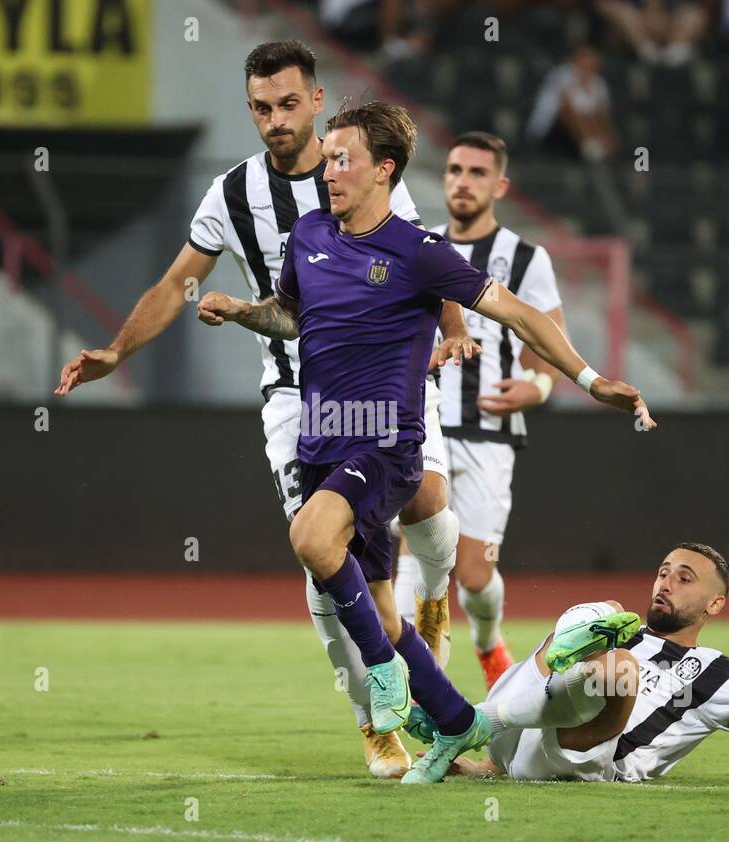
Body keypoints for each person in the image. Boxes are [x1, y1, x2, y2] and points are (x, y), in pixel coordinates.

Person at [196, 100, 655, 783]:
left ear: (384, 170)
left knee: (311, 539)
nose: (330, 168)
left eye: (344, 157)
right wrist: (242, 312)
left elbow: (520, 313)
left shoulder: (420, 253)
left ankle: (383, 675)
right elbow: (290, 315)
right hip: (322, 440)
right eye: (330, 157)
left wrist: (590, 379)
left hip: (385, 445)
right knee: (382, 606)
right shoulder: (310, 234)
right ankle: (457, 723)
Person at [54, 41, 474, 779]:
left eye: (287, 103)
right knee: (322, 558)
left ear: (317, 101)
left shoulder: (364, 167)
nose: (274, 120)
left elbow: (424, 256)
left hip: (389, 383)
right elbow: (175, 282)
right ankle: (374, 723)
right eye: (260, 108)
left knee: (430, 496)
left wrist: (456, 327)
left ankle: (434, 600)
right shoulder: (232, 194)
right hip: (296, 399)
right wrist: (118, 352)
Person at [430, 544, 729, 786]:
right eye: (663, 573)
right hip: (525, 737)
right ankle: (480, 740)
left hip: (588, 759)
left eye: (685, 579)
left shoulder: (717, 672)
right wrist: (488, 769)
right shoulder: (618, 629)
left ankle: (465, 719)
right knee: (598, 616)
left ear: (715, 605)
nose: (664, 584)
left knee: (618, 662)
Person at [395, 131, 569, 690]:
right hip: (425, 426)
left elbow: (549, 343)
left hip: (492, 432)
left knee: (472, 577)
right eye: (453, 170)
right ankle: (414, 687)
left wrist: (536, 388)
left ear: (499, 185)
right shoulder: (418, 246)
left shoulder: (525, 257)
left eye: (475, 172)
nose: (461, 181)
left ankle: (489, 639)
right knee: (417, 558)